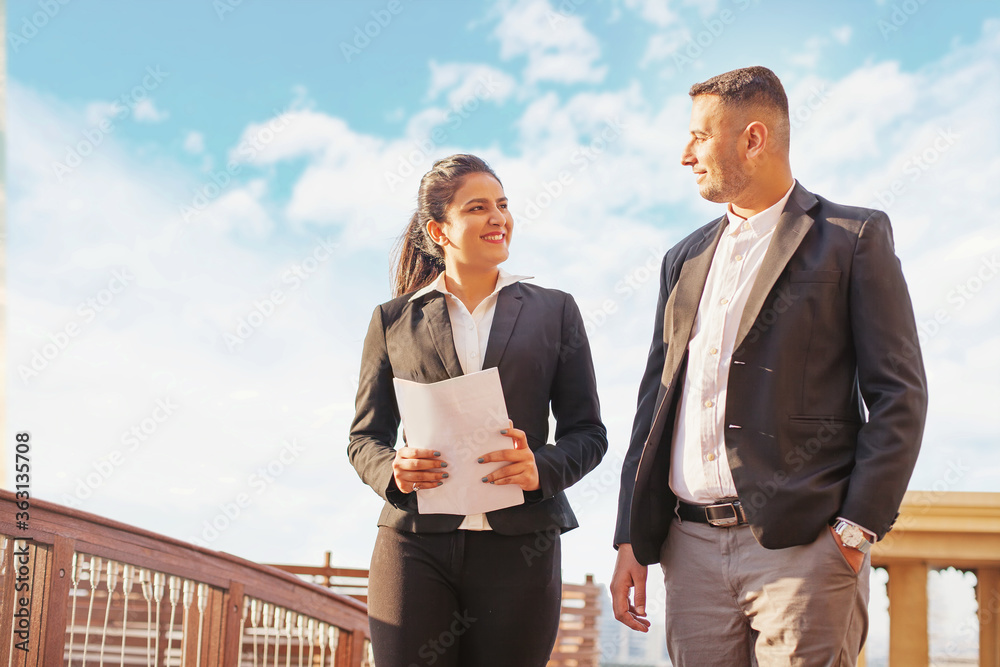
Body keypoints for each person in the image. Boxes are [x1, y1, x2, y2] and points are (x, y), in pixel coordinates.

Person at [611, 66, 928, 665]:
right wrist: (631, 533)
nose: (686, 155)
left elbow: (899, 395)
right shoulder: (683, 258)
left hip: (804, 552)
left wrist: (856, 527)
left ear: (753, 139)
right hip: (689, 550)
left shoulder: (852, 237)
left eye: (700, 137)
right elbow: (656, 403)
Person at [349, 154, 607, 667]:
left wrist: (542, 467)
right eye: (478, 208)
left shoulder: (555, 312)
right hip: (414, 543)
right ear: (439, 230)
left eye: (504, 205)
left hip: (521, 547)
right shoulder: (392, 321)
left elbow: (589, 433)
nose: (499, 218)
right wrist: (394, 470)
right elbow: (364, 438)